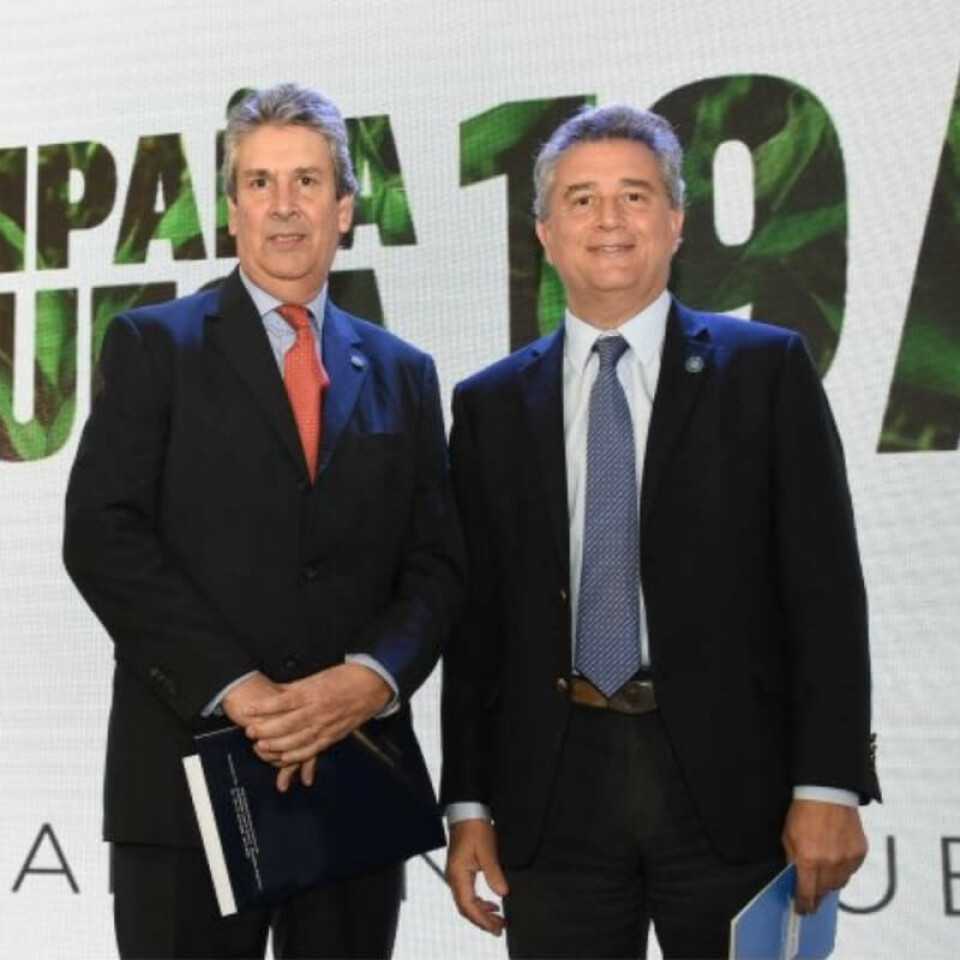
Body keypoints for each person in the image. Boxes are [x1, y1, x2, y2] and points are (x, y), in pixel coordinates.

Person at [440, 104, 880, 959]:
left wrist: (830, 783)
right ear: (545, 232)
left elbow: (826, 593)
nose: (609, 219)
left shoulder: (766, 371)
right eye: (581, 199)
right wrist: (469, 804)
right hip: (551, 795)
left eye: (635, 196)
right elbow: (476, 624)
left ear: (676, 221)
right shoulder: (489, 405)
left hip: (737, 792)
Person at [63, 82, 463, 959]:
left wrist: (369, 680)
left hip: (353, 780)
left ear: (344, 209)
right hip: (186, 784)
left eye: (307, 182)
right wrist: (238, 689)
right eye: (259, 182)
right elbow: (102, 535)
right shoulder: (153, 346)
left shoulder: (404, 371)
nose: (284, 206)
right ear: (232, 211)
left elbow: (437, 564)